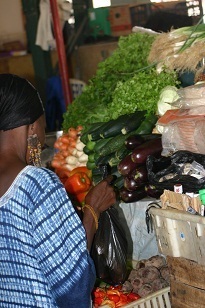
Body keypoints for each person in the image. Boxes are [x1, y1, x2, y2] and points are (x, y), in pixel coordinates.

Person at [0, 74, 116, 307]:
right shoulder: (37, 185)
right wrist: (91, 212)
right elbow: (72, 286)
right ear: (31, 126)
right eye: (44, 124)